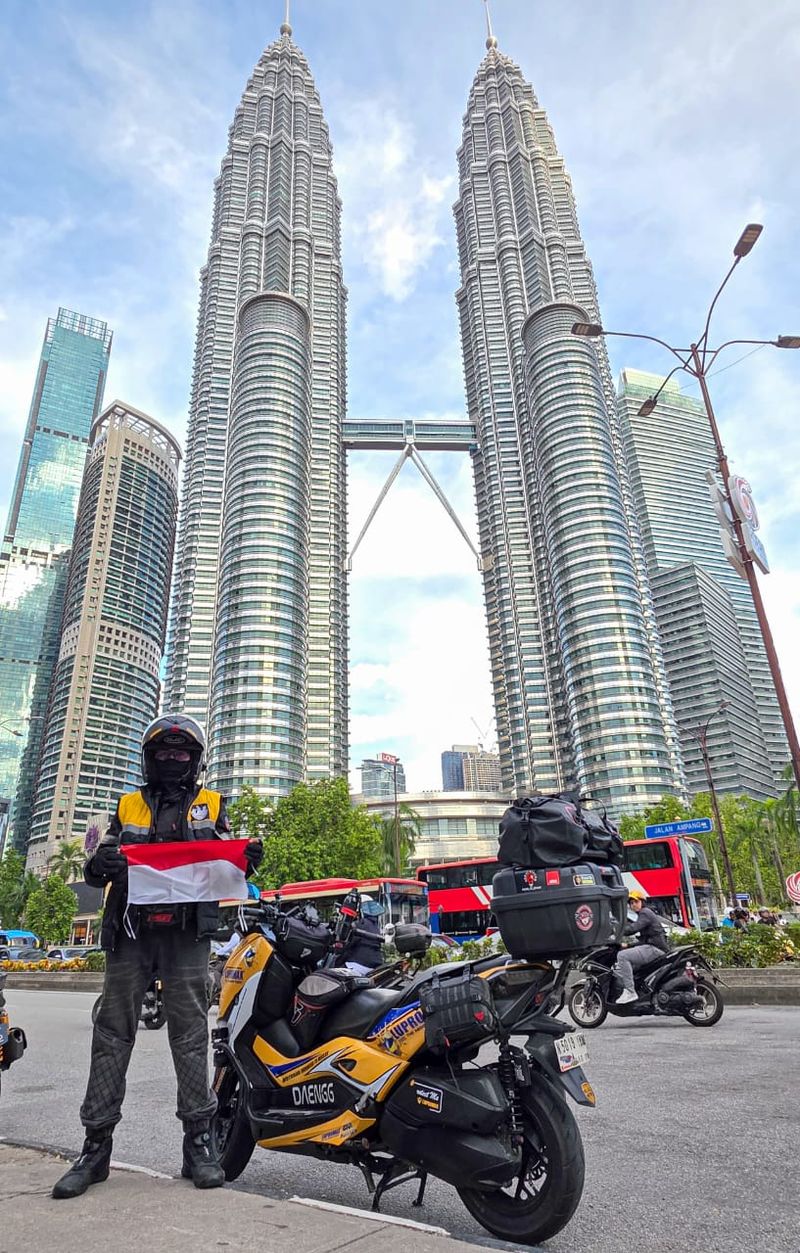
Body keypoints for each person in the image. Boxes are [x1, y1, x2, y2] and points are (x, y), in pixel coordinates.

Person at [52, 714, 263, 1200]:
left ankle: (199, 1147)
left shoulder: (213, 804)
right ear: (150, 760)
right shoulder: (125, 805)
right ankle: (95, 1149)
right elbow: (95, 864)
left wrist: (247, 857)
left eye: (182, 754)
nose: (173, 761)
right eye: (164, 754)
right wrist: (96, 865)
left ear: (195, 761)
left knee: (190, 1037)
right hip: (130, 932)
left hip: (187, 934)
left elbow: (229, 857)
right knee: (111, 1035)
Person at [614, 889, 670, 1005]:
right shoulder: (644, 914)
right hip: (654, 947)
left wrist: (616, 930)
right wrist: (628, 945)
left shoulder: (645, 913)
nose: (633, 904)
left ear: (642, 902)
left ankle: (630, 991)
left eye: (635, 901)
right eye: (631, 903)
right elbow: (644, 940)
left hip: (655, 949)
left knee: (622, 956)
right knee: (632, 965)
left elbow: (633, 928)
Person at [343, 895, 385, 975]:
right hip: (375, 965)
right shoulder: (375, 925)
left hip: (360, 964)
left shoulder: (360, 924)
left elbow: (347, 946)